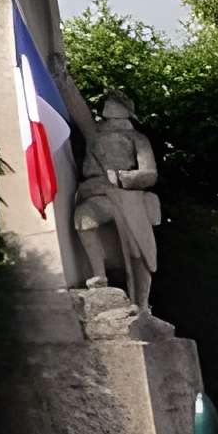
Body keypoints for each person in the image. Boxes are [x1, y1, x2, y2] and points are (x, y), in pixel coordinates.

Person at [79, 94, 162, 316]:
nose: (109, 106)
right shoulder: (93, 132)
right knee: (84, 219)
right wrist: (61, 77)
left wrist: (126, 177)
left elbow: (150, 173)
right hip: (99, 193)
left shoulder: (137, 138)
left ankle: (142, 303)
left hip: (127, 197)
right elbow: (77, 109)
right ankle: (99, 277)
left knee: (139, 249)